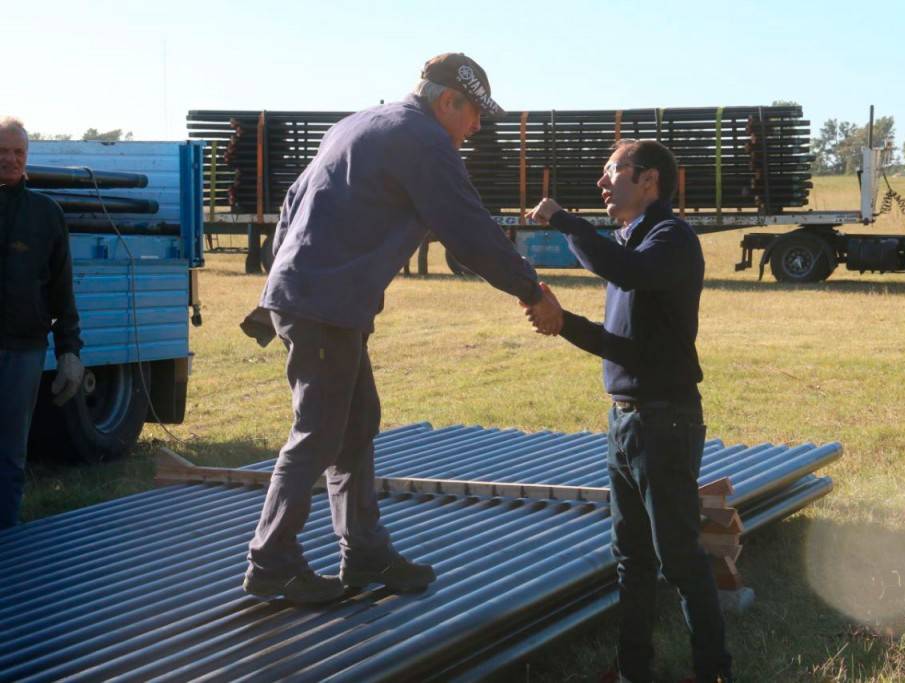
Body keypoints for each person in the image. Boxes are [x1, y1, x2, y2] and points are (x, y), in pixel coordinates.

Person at [241, 54, 561, 604]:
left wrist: (281, 287)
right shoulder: (423, 140)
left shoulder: (360, 122)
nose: (477, 127)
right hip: (325, 303)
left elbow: (295, 204)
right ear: (448, 102)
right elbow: (468, 229)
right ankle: (272, 560)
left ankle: (363, 551)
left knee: (357, 422)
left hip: (322, 299)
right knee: (318, 431)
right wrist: (532, 290)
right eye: (475, 114)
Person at [524, 139, 732, 683]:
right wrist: (561, 320)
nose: (602, 183)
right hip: (627, 422)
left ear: (649, 181)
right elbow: (623, 346)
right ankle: (632, 671)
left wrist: (564, 221)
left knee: (680, 561)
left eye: (612, 171)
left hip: (664, 421)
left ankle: (713, 673)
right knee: (632, 560)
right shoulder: (631, 244)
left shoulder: (670, 240)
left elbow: (623, 270)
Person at [0, 117, 84, 529]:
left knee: (11, 454)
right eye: (2, 152)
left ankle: (8, 541)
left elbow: (62, 290)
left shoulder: (45, 214)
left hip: (22, 349)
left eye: (18, 152)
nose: (10, 160)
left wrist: (69, 350)